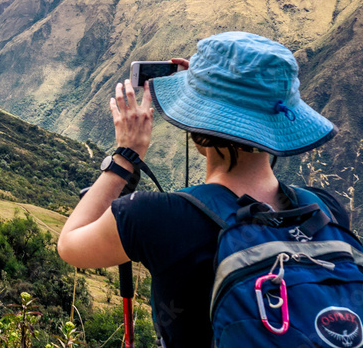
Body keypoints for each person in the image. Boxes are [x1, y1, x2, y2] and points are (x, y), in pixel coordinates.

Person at [57, 31, 345, 347]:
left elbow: (70, 246)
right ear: (282, 125)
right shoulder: (327, 210)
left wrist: (126, 156)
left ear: (196, 130)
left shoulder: (154, 218)